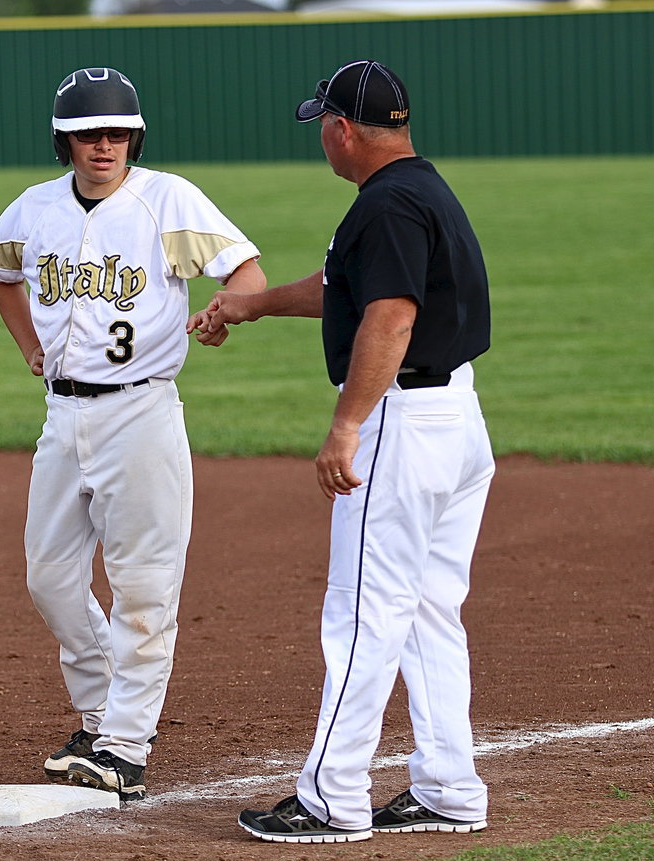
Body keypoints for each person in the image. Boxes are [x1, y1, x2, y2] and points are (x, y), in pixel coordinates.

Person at [189, 60, 494, 843]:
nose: (322, 135)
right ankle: (449, 786)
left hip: (402, 424)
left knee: (363, 608)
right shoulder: (421, 188)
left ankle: (331, 796)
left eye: (323, 123)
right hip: (455, 420)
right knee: (427, 609)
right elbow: (345, 285)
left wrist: (347, 424)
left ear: (343, 130)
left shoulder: (387, 206)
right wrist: (253, 303)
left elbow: (388, 317)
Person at [0, 67, 266, 799]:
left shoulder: (167, 199)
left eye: (115, 133)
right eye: (86, 135)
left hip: (140, 414)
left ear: (133, 137)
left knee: (143, 586)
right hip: (62, 413)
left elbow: (248, 275)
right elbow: (0, 272)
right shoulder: (34, 209)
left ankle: (124, 745)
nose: (102, 146)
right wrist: (27, 348)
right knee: (49, 577)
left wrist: (222, 310)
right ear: (64, 142)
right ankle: (101, 712)